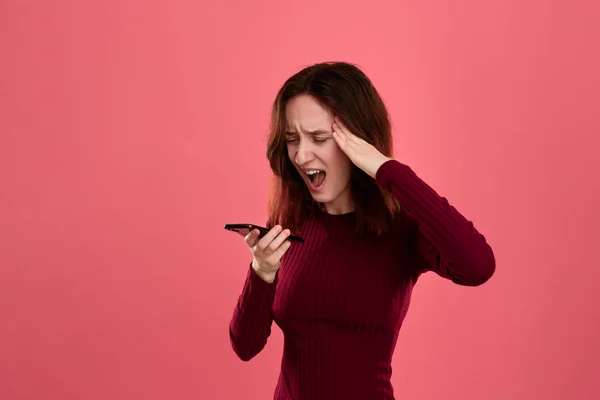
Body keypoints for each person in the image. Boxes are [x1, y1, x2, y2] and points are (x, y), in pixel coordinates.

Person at [228, 61, 495, 400]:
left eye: (320, 138)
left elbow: (478, 266)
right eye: (292, 139)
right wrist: (261, 272)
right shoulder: (290, 221)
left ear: (358, 144)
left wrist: (387, 170)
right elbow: (245, 346)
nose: (301, 154)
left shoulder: (400, 229)